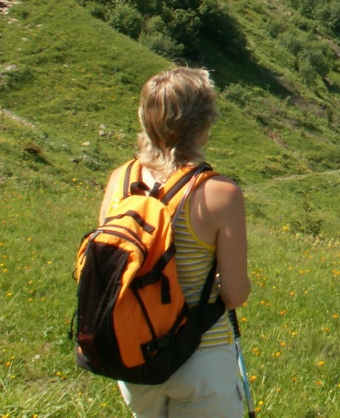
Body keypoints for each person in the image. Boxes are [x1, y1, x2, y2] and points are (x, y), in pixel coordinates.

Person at [98, 67, 251, 417]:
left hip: (135, 354)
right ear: (204, 123)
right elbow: (235, 295)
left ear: (145, 117)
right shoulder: (219, 193)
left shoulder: (120, 180)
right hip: (201, 354)